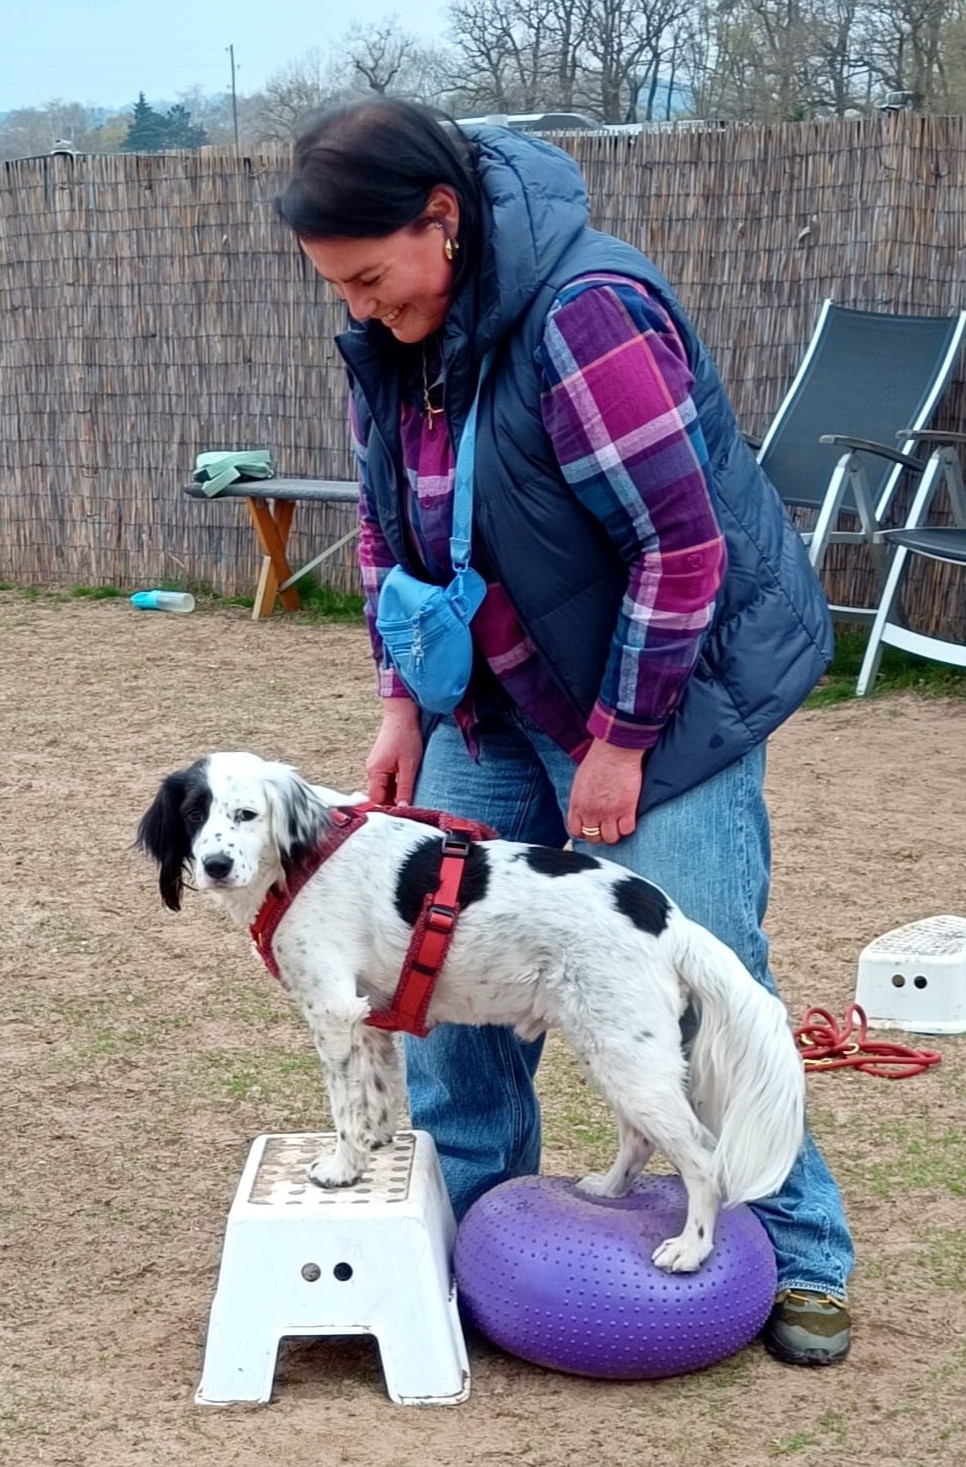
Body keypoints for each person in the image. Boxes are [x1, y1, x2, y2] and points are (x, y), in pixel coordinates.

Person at [276, 97, 854, 1366]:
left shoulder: (586, 313)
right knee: (433, 968)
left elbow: (681, 546)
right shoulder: (397, 339)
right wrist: (401, 701)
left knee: (696, 980)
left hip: (669, 691)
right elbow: (384, 532)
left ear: (443, 218)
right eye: (340, 288)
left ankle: (800, 1255)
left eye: (369, 279)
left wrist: (622, 739)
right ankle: (466, 1236)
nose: (359, 308)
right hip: (495, 693)